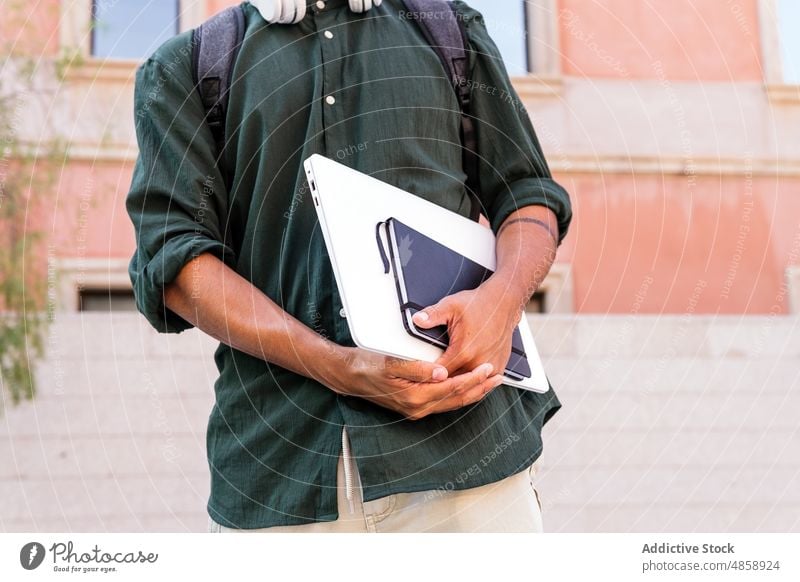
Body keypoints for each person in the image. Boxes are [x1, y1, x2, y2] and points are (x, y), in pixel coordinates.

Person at [126, 0, 572, 533]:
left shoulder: (449, 29)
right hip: (280, 477)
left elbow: (526, 193)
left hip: (469, 463)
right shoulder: (188, 68)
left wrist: (500, 302)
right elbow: (174, 260)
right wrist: (338, 366)